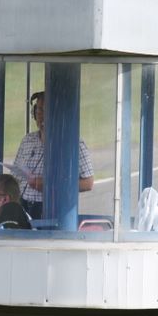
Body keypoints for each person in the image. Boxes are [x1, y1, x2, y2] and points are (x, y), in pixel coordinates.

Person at [13, 91, 94, 220]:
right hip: (24, 207)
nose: (42, 116)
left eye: (48, 111)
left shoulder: (73, 142)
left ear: (58, 114)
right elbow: (16, 175)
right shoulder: (27, 140)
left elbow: (88, 183)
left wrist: (50, 186)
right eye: (39, 111)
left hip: (54, 210)